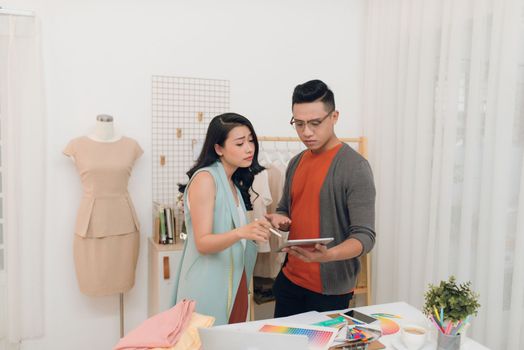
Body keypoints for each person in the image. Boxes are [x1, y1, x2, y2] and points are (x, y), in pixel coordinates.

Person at [265, 80, 376, 317]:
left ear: (334, 116)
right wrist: (280, 218)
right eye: (299, 123)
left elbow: (365, 237)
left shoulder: (355, 167)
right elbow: (286, 208)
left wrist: (328, 255)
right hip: (289, 282)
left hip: (330, 293)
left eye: (315, 123)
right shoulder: (296, 162)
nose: (306, 132)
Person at [173, 113, 271, 325]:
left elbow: (236, 233)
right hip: (209, 285)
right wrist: (242, 232)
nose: (249, 148)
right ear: (219, 148)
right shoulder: (206, 179)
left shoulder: (233, 183)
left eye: (251, 140)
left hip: (235, 282)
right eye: (240, 143)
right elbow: (203, 242)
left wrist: (256, 228)